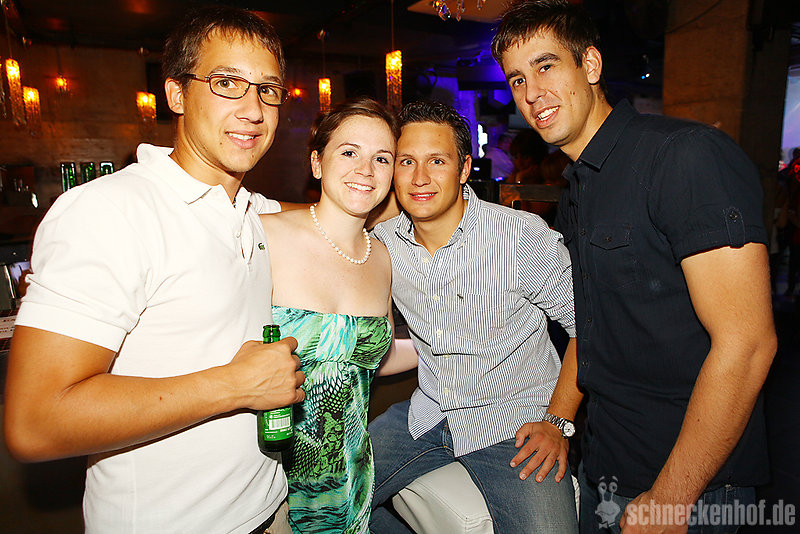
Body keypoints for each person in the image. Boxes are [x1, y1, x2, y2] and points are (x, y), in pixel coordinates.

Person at [4, 7, 305, 534]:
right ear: (176, 94)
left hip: (271, 512)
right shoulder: (110, 211)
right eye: (226, 82)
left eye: (267, 89)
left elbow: (340, 217)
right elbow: (36, 422)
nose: (253, 109)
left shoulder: (254, 212)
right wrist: (233, 385)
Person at [491, 1, 777, 533]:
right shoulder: (578, 188)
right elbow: (592, 323)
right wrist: (559, 420)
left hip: (691, 487)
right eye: (517, 79)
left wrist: (671, 496)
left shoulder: (684, 157)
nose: (531, 93)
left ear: (590, 65)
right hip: (605, 467)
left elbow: (748, 344)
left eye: (546, 65)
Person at [369, 100, 579, 534]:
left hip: (515, 424)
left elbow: (588, 330)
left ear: (464, 168)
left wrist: (558, 422)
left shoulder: (521, 237)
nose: (420, 177)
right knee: (325, 495)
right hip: (427, 415)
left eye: (437, 161)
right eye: (407, 161)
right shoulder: (383, 242)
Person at [260, 97, 417, 534]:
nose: (365, 170)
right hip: (271, 477)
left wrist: (445, 348)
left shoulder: (382, 257)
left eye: (381, 158)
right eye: (349, 152)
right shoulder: (267, 236)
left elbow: (364, 360)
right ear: (317, 162)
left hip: (350, 475)